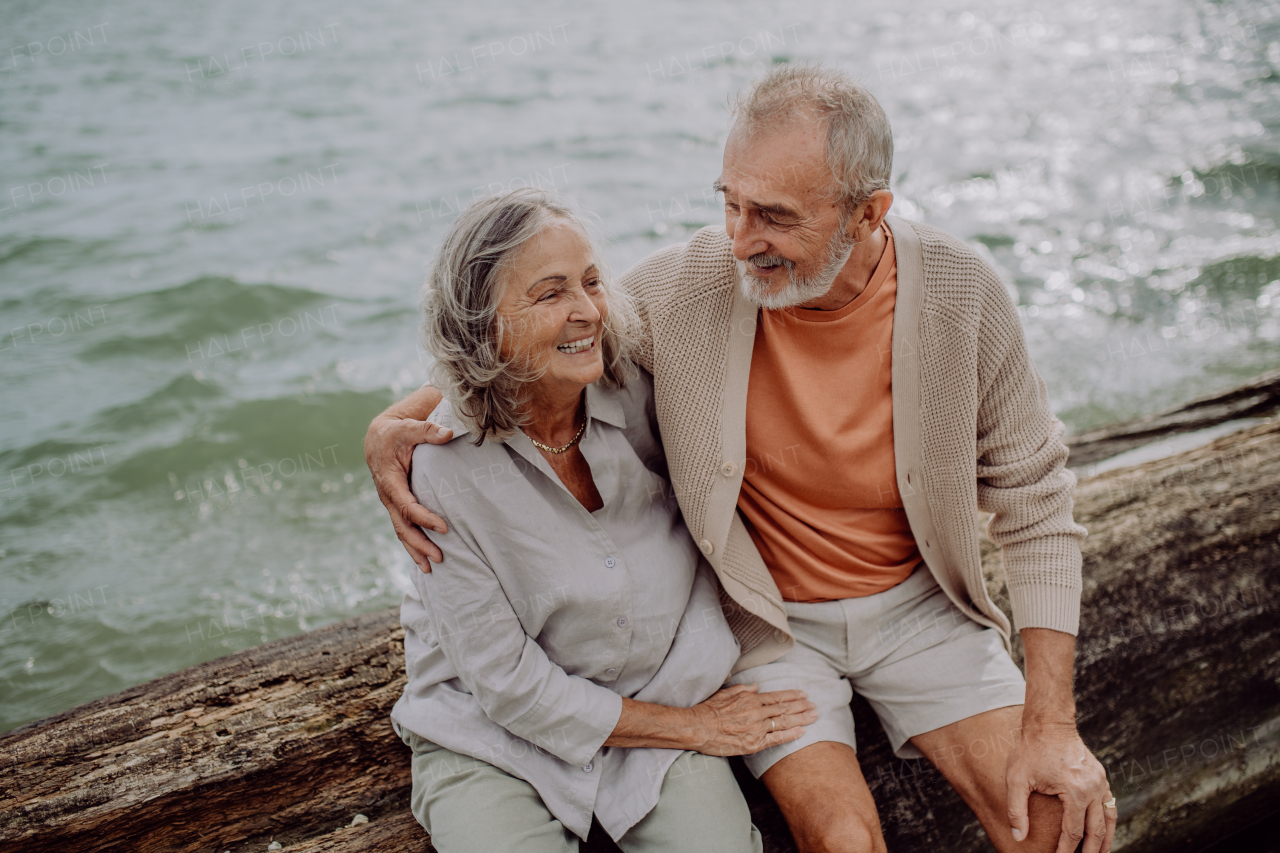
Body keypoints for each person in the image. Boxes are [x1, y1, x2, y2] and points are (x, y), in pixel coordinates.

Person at [369, 66, 1116, 853]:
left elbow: (1035, 504)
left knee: (1058, 823)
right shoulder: (692, 287)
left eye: (774, 216)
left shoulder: (962, 293)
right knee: (843, 841)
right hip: (769, 627)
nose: (739, 238)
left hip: (923, 611)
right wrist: (392, 427)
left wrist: (1052, 724)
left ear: (868, 212)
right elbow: (533, 341)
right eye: (728, 202)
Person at [386, 188, 817, 853]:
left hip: (662, 687)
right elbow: (506, 686)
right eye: (550, 293)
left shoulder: (633, 378)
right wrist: (694, 729)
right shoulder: (441, 469)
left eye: (591, 282)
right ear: (484, 323)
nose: (586, 310)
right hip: (494, 738)